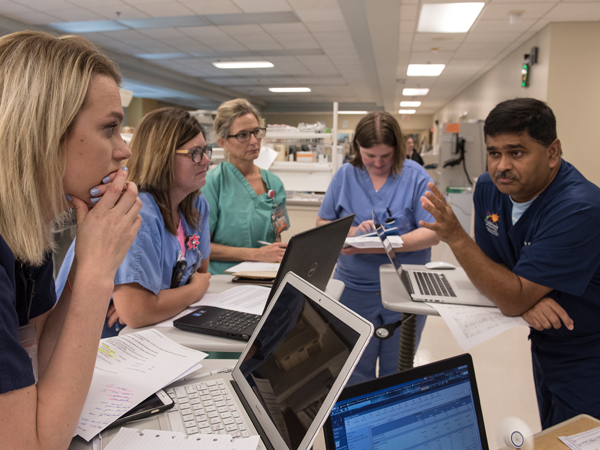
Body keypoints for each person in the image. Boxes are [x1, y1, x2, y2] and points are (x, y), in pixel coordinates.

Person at [419, 98, 600, 429]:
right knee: (551, 432)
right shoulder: (490, 189)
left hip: (589, 352)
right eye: (493, 152)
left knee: (580, 437)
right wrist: (525, 297)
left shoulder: (579, 208)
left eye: (516, 152)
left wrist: (458, 238)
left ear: (553, 152)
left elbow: (508, 292)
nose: (501, 165)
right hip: (544, 341)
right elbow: (491, 265)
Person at [0, 31, 142, 449]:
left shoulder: (27, 230)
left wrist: (88, 257)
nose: (124, 151)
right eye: (110, 128)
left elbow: (43, 361)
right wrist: (99, 272)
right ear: (44, 132)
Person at [56, 108, 212, 335]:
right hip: (94, 338)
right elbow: (138, 313)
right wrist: (195, 290)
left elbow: (200, 269)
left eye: (206, 150)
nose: (206, 160)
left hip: (147, 330)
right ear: (162, 156)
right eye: (195, 152)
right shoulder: (138, 212)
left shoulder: (195, 205)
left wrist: (156, 301)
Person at [317, 111, 439, 385]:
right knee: (353, 371)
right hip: (354, 291)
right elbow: (323, 221)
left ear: (397, 148)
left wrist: (379, 246)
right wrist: (350, 233)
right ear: (357, 147)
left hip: (406, 289)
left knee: (397, 373)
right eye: (369, 155)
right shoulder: (345, 176)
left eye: (385, 156)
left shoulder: (415, 176)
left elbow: (433, 233)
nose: (377, 163)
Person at [202, 98, 290, 274]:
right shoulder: (212, 183)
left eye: (256, 132)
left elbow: (277, 236)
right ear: (223, 142)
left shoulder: (274, 183)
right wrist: (256, 254)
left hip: (266, 276)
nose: (254, 141)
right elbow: (200, 247)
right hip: (223, 281)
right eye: (242, 135)